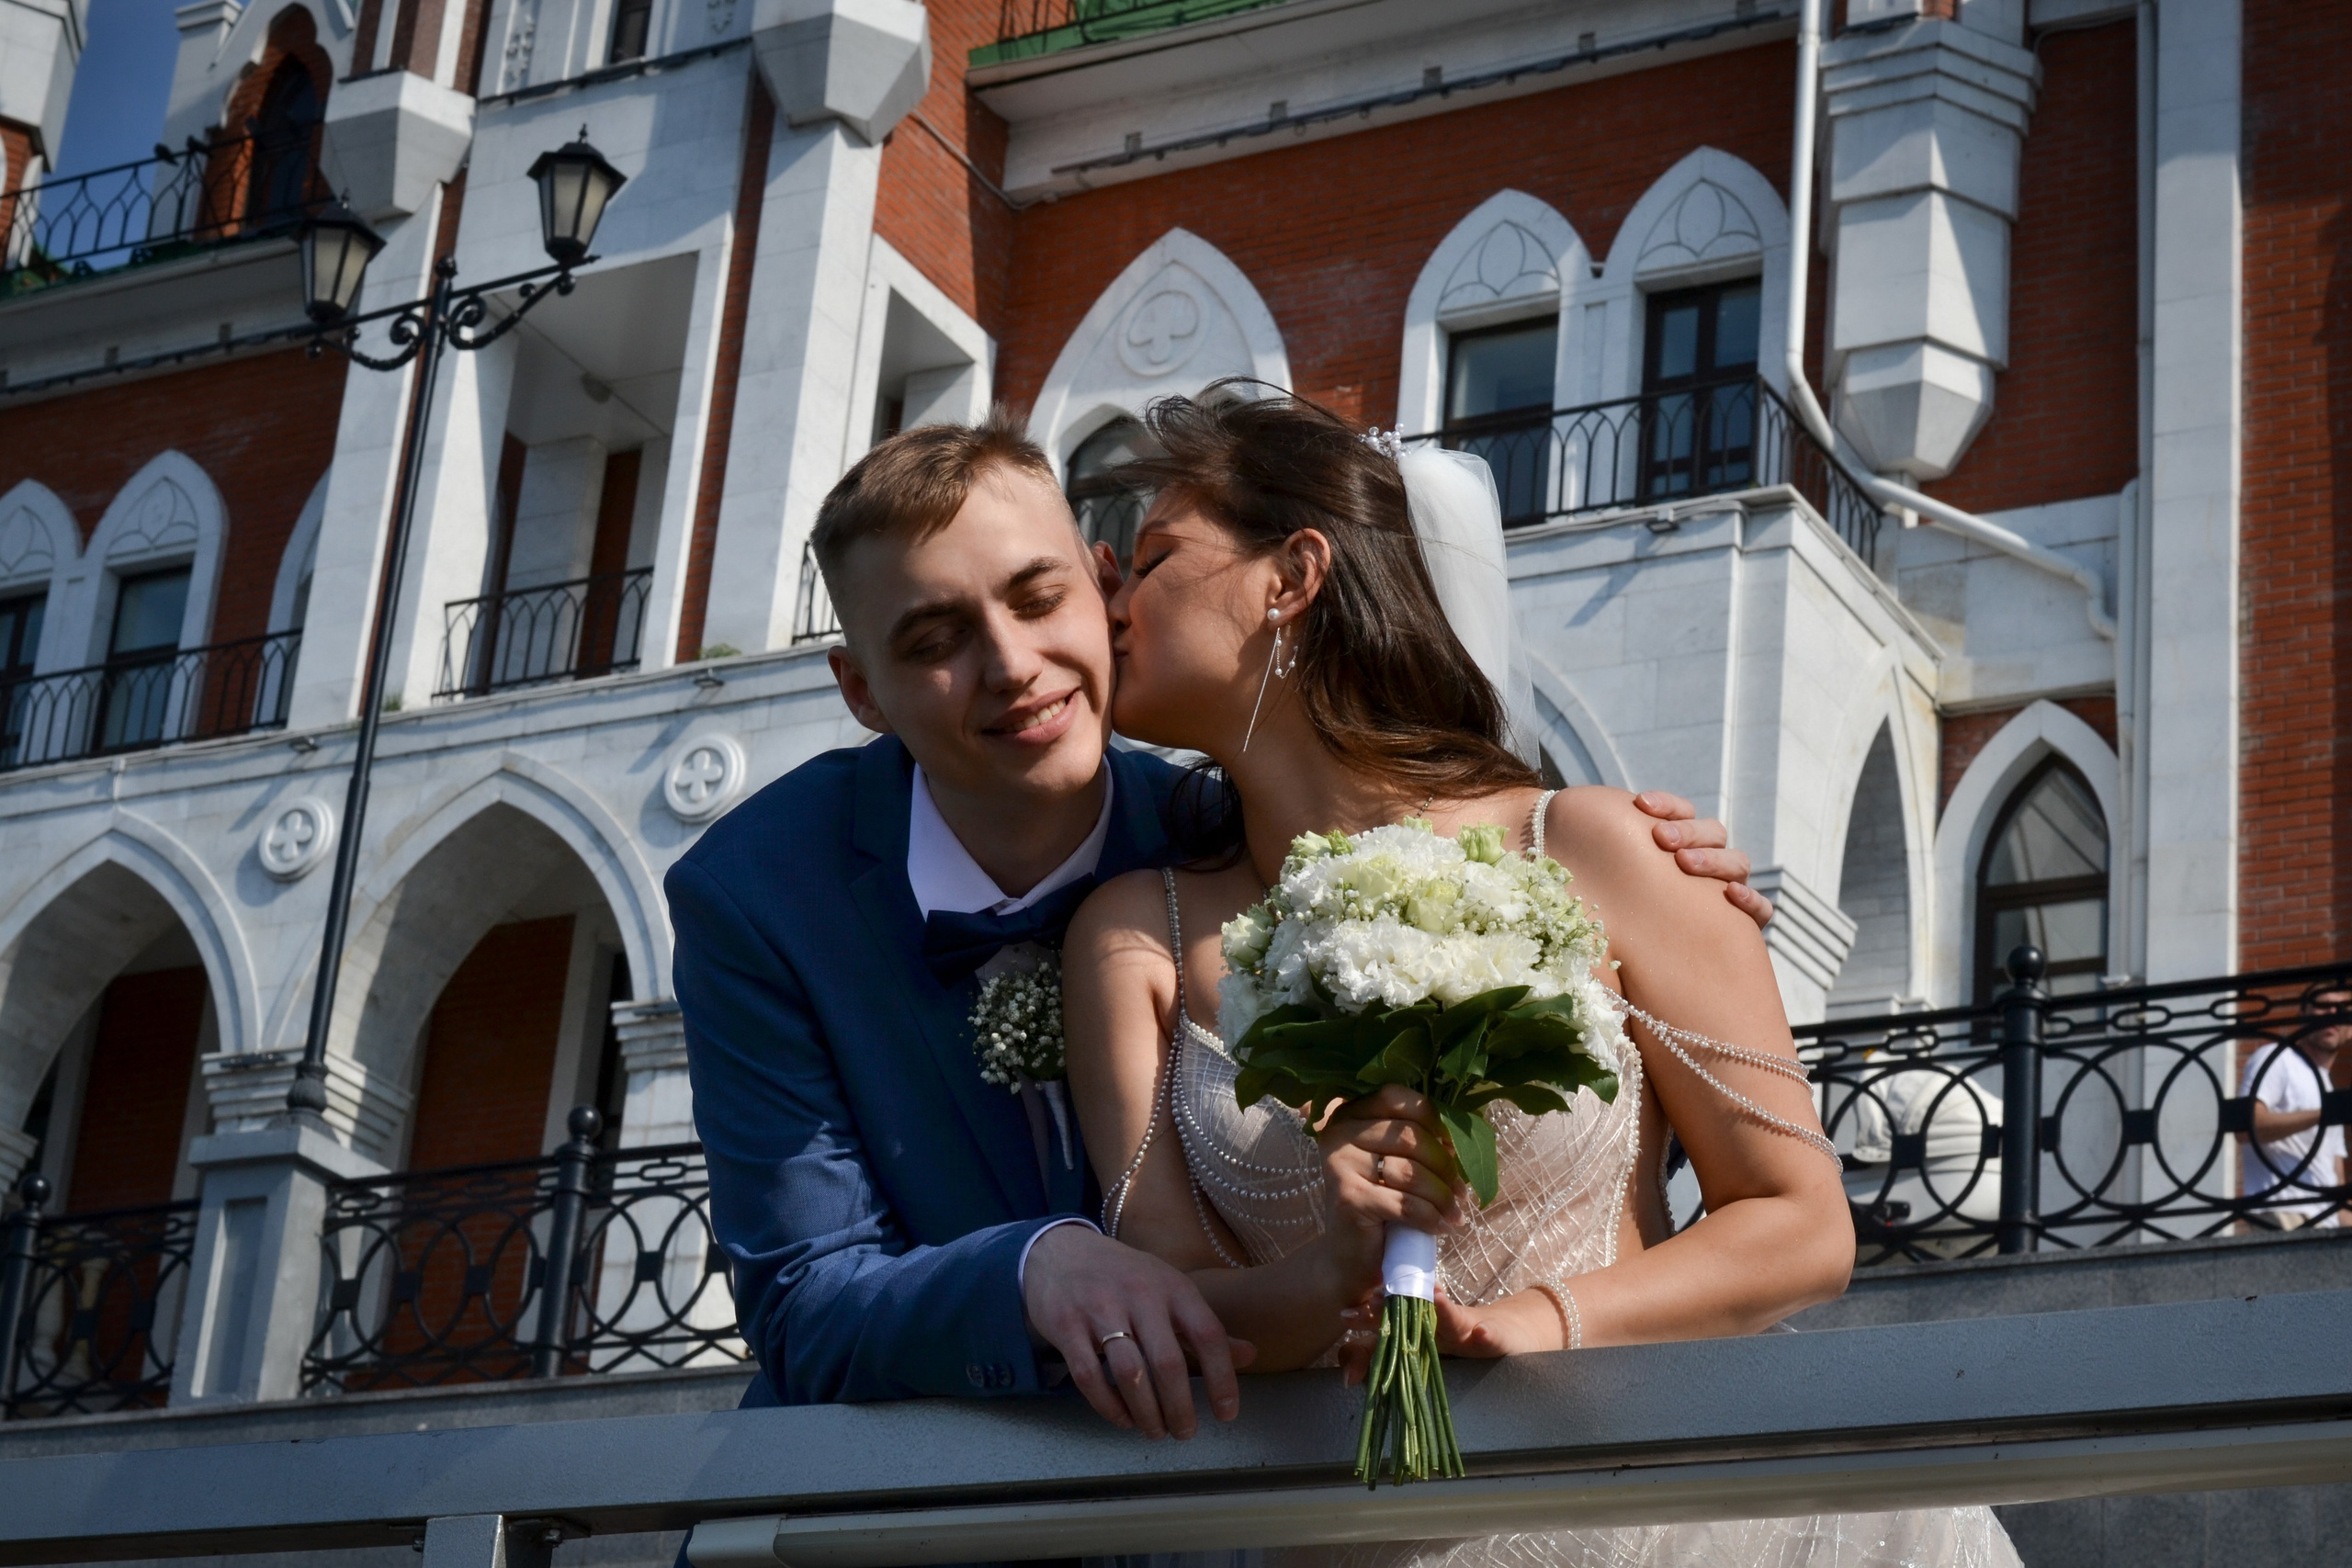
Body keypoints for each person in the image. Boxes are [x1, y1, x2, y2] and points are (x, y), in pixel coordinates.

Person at [1058, 387, 2021, 1566]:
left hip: (1670, 1516)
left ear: (1292, 576)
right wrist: (1330, 1274)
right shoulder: (1129, 940)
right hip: (1350, 1536)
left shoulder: (1603, 848)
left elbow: (1800, 1223)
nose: (1111, 602)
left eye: (1153, 557)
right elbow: (1163, 1303)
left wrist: (1531, 1326)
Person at [665, 412, 1769, 1440]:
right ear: (860, 690)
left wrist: (1659, 885)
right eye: (934, 640)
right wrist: (1032, 1271)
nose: (1009, 665)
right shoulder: (759, 892)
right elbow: (804, 1297)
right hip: (913, 1519)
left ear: (1104, 593)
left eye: (1037, 597)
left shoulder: (1229, 836)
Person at [2239, 991, 2349, 1228]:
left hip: (2326, 1227)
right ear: (2303, 1015)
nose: (2331, 1014)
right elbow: (2245, 1127)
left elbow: (2335, 1174)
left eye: (2341, 1011)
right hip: (2283, 1213)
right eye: (2323, 1006)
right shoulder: (2277, 1058)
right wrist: (2323, 1114)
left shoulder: (2329, 1088)